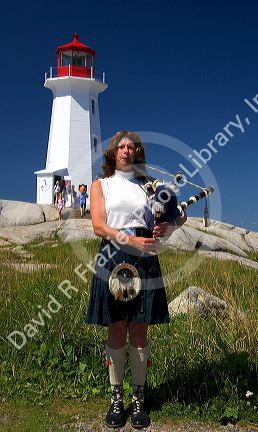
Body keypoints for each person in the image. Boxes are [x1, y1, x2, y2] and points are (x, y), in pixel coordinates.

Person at [86, 130, 186, 429]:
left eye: (132, 147)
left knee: (139, 330)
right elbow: (99, 227)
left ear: (138, 152)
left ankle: (139, 399)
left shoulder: (149, 186)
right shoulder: (101, 184)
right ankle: (117, 399)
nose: (127, 151)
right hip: (114, 256)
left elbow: (177, 217)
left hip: (146, 257)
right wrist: (132, 241)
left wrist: (166, 227)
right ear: (113, 153)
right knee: (116, 328)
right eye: (122, 147)